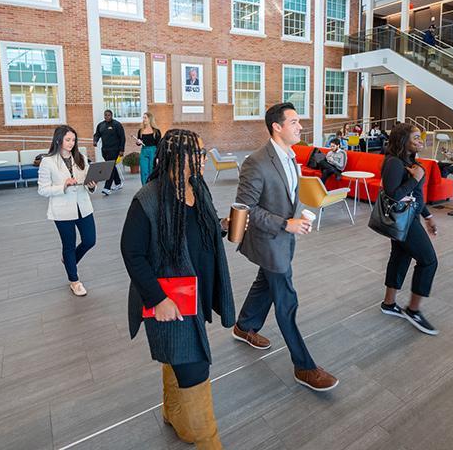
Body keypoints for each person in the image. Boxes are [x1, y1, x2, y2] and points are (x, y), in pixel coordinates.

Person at [121, 129, 235, 449]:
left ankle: (172, 412)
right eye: (195, 154)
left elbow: (203, 226)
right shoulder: (149, 198)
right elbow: (132, 253)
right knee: (194, 369)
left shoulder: (197, 187)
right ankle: (209, 442)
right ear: (176, 157)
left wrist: (223, 226)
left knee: (177, 358)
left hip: (193, 297)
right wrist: (158, 299)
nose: (200, 158)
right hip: (169, 301)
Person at [232, 102, 339, 392]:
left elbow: (286, 195)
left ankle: (244, 326)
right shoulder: (256, 162)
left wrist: (295, 220)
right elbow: (245, 209)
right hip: (269, 241)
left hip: (282, 240)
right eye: (294, 122)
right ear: (276, 127)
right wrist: (284, 224)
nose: (300, 126)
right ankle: (304, 367)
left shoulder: (291, 157)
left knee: (265, 284)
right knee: (286, 302)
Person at [379, 123, 440, 335]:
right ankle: (413, 310)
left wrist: (428, 216)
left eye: (419, 136)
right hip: (403, 221)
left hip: (410, 218)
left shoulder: (409, 161)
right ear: (403, 140)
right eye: (415, 137)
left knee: (400, 257)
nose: (420, 140)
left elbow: (415, 197)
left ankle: (389, 303)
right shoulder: (394, 163)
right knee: (429, 260)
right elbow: (393, 196)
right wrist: (415, 179)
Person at [38, 125, 97, 297]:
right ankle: (74, 281)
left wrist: (91, 186)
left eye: (73, 140)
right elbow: (42, 190)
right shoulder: (48, 162)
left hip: (83, 207)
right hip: (62, 210)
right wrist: (62, 186)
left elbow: (87, 181)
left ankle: (69, 260)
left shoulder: (81, 158)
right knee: (69, 245)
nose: (71, 143)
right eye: (68, 140)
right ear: (58, 140)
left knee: (89, 240)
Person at [94, 109, 126, 195]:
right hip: (105, 150)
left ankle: (107, 188)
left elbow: (122, 138)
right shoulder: (101, 125)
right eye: (105, 115)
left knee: (109, 168)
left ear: (111, 115)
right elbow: (97, 134)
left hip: (115, 150)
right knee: (112, 166)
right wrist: (95, 141)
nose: (106, 117)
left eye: (108, 115)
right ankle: (118, 183)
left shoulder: (117, 125)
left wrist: (122, 150)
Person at [136, 112, 162, 185]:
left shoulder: (156, 131)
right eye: (143, 118)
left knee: (152, 170)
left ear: (150, 119)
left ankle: (152, 187)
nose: (143, 119)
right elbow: (139, 142)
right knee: (144, 171)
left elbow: (159, 145)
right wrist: (138, 142)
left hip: (153, 151)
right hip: (144, 151)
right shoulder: (140, 130)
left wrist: (158, 157)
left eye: (145, 118)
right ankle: (145, 188)